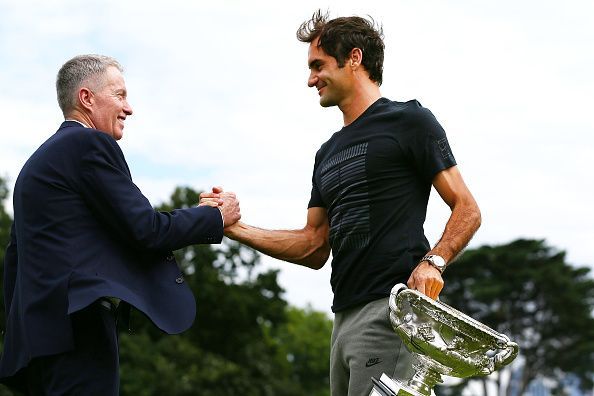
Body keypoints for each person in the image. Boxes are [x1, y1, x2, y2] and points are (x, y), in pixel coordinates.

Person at [200, 10, 481, 396]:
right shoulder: (326, 154)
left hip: (391, 313)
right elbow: (314, 245)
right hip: (342, 321)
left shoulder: (410, 121)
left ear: (354, 58)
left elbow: (467, 208)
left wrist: (434, 262)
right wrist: (233, 227)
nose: (310, 79)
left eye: (318, 65)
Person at [0, 54, 241, 395]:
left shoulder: (35, 166)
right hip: (79, 332)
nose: (129, 108)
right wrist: (215, 216)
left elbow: (15, 261)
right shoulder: (87, 144)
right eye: (120, 95)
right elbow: (146, 228)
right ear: (87, 98)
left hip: (37, 343)